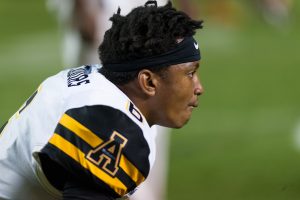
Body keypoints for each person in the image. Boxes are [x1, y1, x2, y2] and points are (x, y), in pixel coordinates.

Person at [0, 1, 204, 199]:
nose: (199, 88)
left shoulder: (100, 83)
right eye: (190, 74)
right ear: (148, 82)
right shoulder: (111, 126)